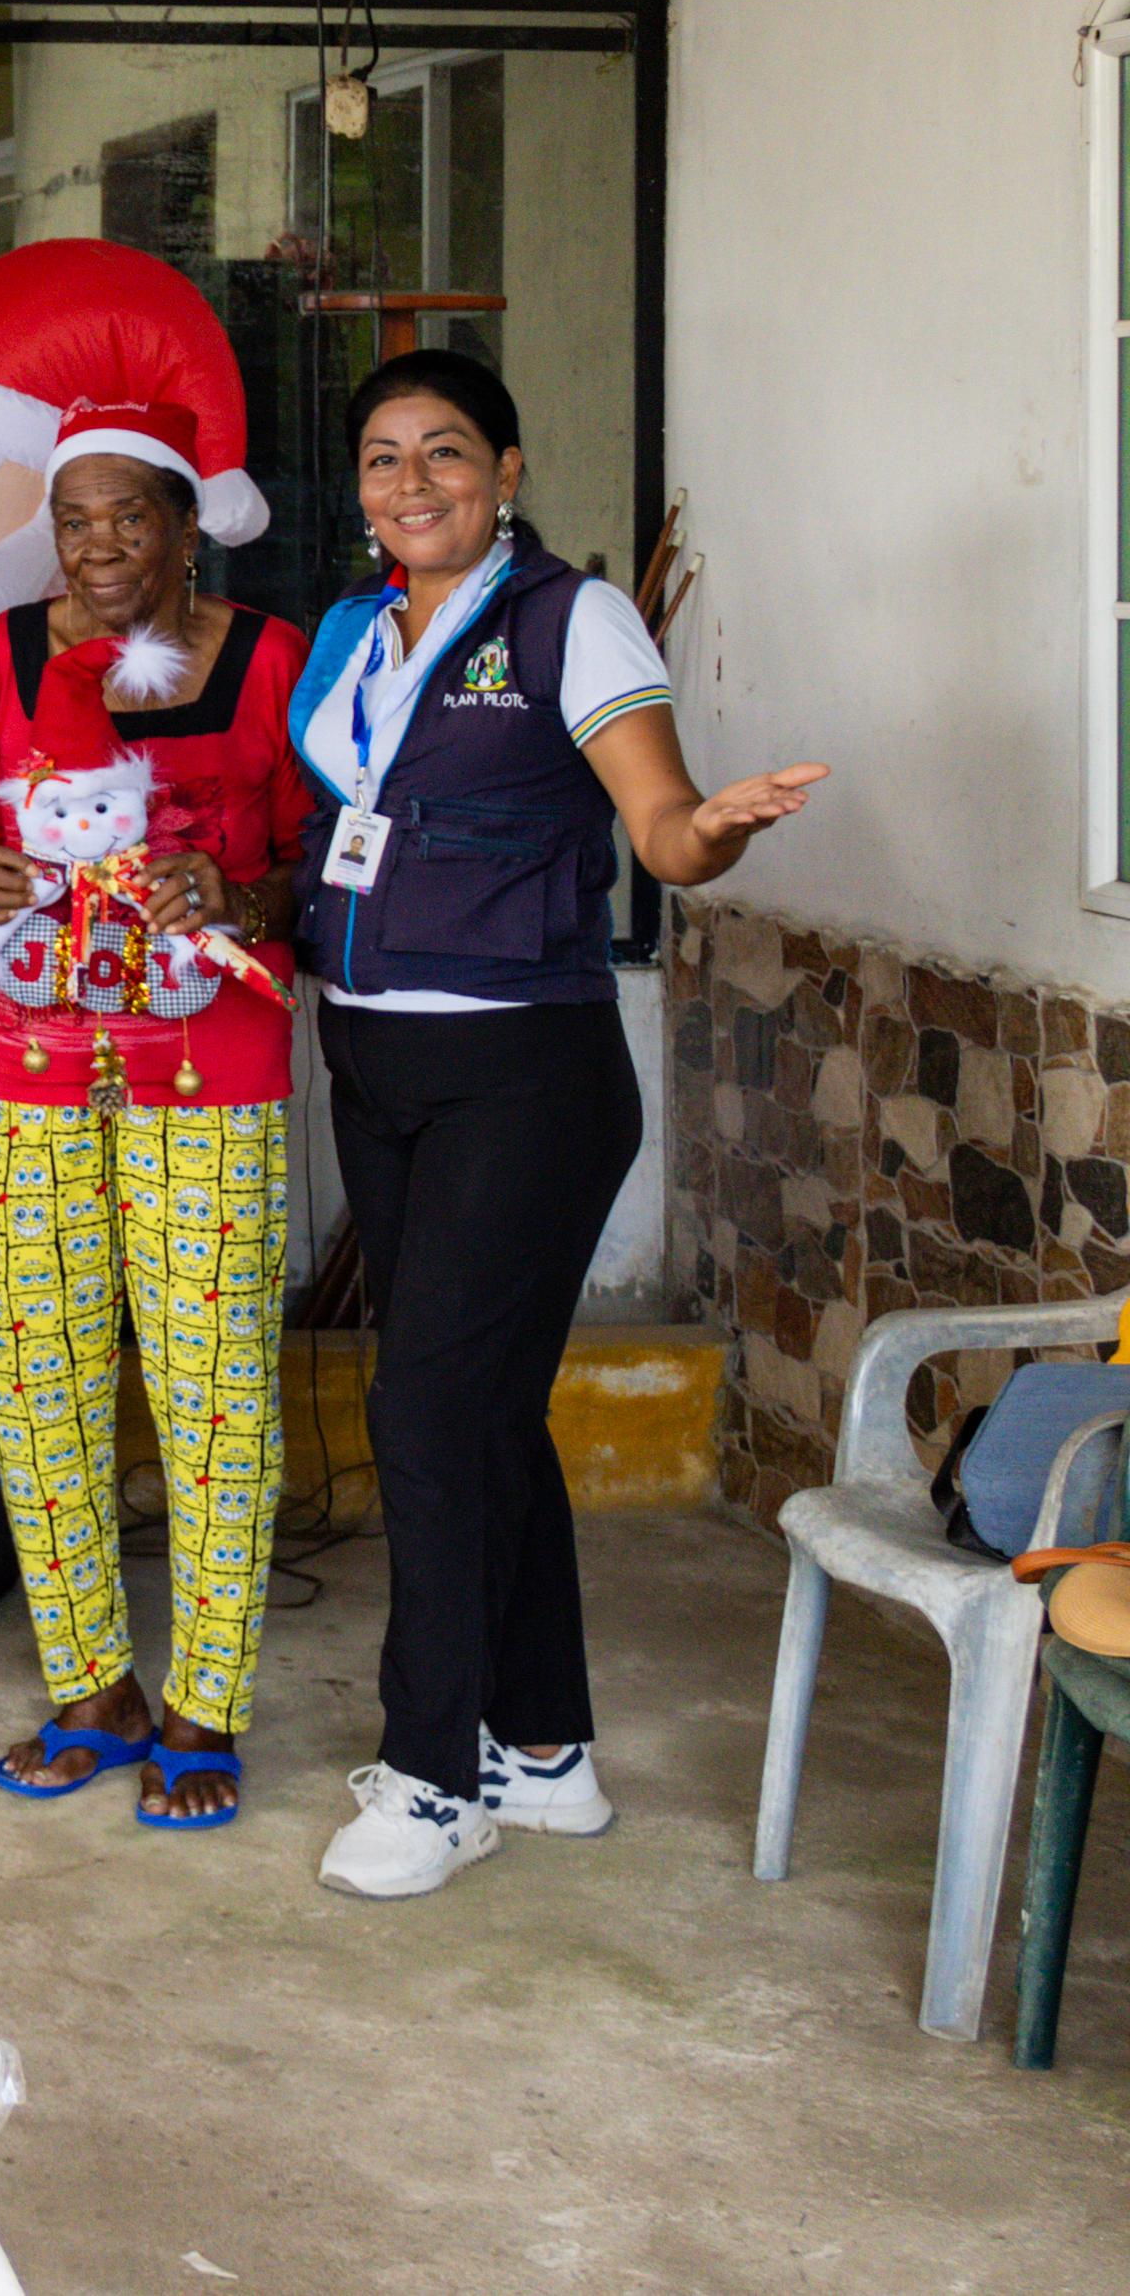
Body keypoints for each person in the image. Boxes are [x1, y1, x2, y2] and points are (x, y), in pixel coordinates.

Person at [288, 349, 821, 1898]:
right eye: (384, 457)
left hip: (521, 1074)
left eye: (445, 451)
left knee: (425, 1413)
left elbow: (658, 818)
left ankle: (433, 1777)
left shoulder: (569, 617)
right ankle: (543, 1748)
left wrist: (708, 832)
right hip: (375, 1064)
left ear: (507, 470)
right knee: (482, 1413)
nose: (413, 483)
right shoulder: (354, 630)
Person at [0, 401, 311, 1830]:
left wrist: (241, 894)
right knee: (36, 1375)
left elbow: (319, 863)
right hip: (30, 1059)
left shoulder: (270, 658)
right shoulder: (1, 654)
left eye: (129, 516)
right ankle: (90, 1688)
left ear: (186, 524)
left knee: (213, 1387)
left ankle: (205, 1702)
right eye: (73, 518)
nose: (97, 547)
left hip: (212, 1066)